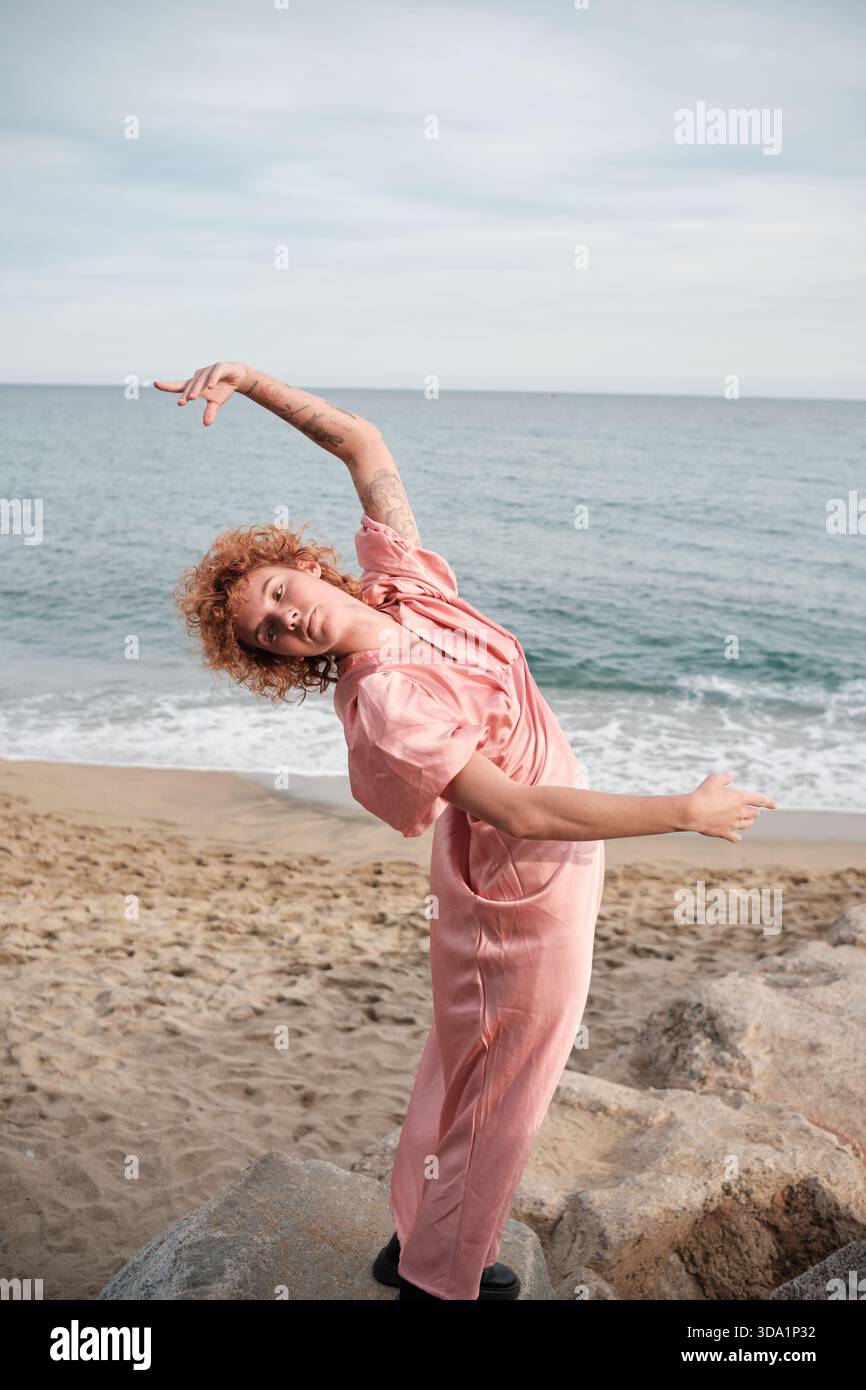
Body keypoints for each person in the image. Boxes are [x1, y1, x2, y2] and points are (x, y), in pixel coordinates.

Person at [154, 361, 777, 1301]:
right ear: (282, 658)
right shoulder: (387, 702)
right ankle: (440, 1280)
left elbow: (361, 443)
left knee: (464, 1074)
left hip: (535, 865)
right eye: (271, 632)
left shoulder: (405, 584)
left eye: (280, 591)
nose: (289, 617)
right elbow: (519, 810)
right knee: (503, 1102)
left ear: (304, 563)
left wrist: (248, 382)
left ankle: (415, 1238)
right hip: (521, 893)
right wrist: (683, 814)